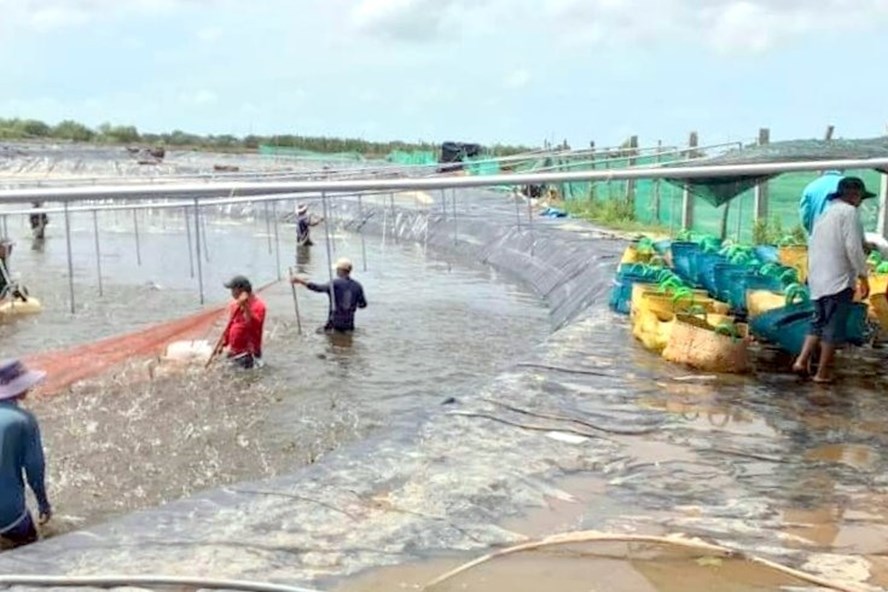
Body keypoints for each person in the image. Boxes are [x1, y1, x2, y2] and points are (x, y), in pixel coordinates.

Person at [792, 177, 874, 383]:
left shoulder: (825, 214)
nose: (861, 202)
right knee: (833, 327)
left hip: (818, 278)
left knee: (817, 322)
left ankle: (801, 361)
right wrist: (863, 277)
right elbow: (853, 248)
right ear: (853, 196)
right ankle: (821, 373)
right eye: (860, 197)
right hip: (838, 279)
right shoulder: (849, 212)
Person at [0, 359, 51, 549]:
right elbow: (35, 469)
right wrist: (43, 504)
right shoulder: (23, 419)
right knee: (33, 553)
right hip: (8, 515)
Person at [291, 257, 366, 332]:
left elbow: (318, 288)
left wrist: (300, 281)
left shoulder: (335, 283)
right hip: (349, 325)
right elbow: (363, 305)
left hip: (334, 324)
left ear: (340, 270)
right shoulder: (357, 286)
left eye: (337, 269)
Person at [215, 275, 266, 369]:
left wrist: (245, 306)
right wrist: (222, 344)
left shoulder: (259, 306)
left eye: (233, 290)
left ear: (241, 290)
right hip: (234, 352)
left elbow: (253, 324)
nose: (231, 293)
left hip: (249, 354)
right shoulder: (235, 305)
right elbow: (230, 325)